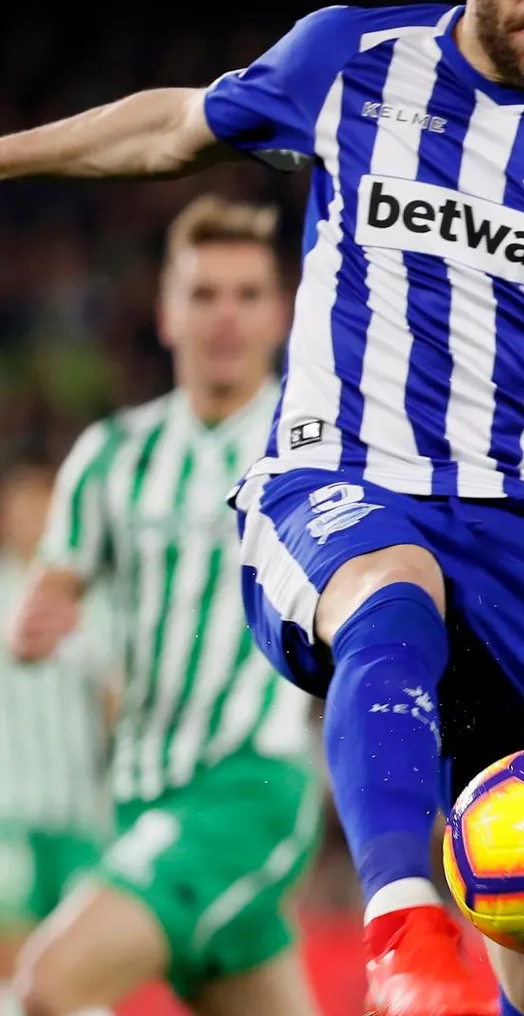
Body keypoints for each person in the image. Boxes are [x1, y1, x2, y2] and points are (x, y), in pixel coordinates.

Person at [0, 0, 524, 1012]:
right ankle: (404, 920)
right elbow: (173, 129)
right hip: (341, 480)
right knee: (390, 588)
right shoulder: (352, 56)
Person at [5, 198, 321, 1016]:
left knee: (46, 985)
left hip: (249, 785)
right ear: (165, 311)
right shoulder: (112, 458)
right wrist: (38, 621)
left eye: (247, 294)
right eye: (204, 292)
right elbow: (51, 591)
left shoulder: (320, 451)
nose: (226, 315)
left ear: (279, 312)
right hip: (141, 795)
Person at [0, 462, 117, 1016]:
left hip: (80, 812)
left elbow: (119, 701)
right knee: (17, 958)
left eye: (45, 507)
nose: (33, 521)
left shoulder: (95, 603)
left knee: (73, 973)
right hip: (10, 811)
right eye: (22, 507)